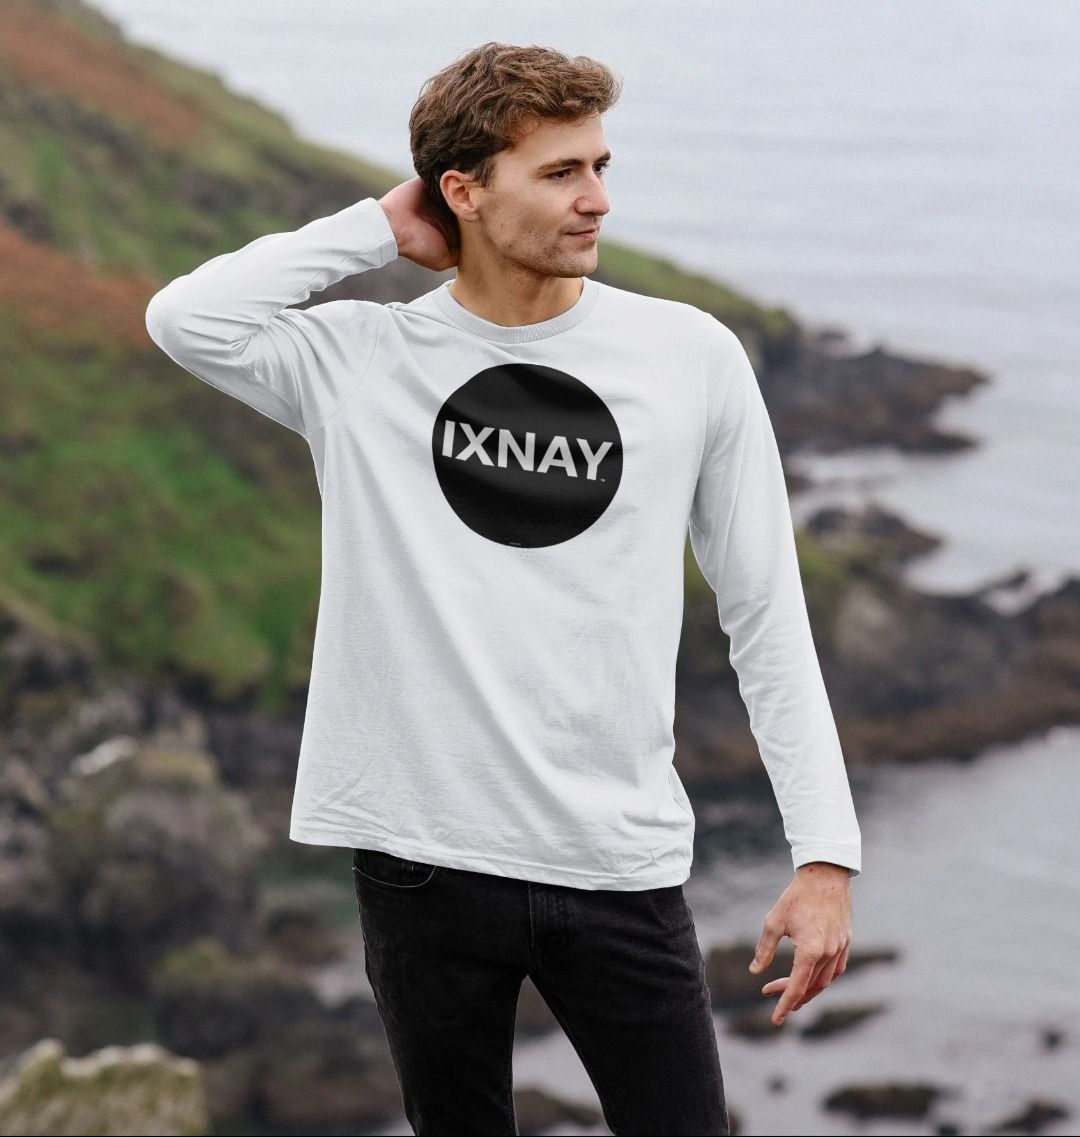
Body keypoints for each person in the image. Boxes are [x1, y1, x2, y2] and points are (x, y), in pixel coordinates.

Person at [145, 40, 861, 1137]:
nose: (598, 200)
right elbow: (184, 319)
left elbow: (764, 616)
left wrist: (822, 856)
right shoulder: (357, 362)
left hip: (617, 860)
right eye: (561, 172)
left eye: (601, 165)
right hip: (423, 859)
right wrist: (382, 228)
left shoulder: (687, 356)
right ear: (465, 191)